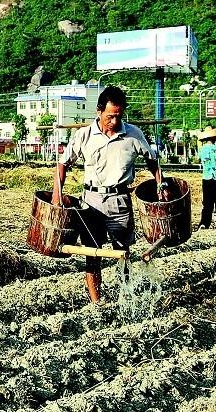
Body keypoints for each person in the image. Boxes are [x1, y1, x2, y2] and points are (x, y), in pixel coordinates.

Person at [51, 86, 167, 303]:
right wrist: (58, 195)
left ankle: (125, 297)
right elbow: (62, 164)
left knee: (122, 253)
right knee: (91, 254)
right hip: (90, 202)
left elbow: (152, 161)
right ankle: (97, 302)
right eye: (109, 117)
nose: (114, 122)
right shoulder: (84, 135)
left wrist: (161, 184)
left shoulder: (133, 134)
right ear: (99, 111)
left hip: (119, 201)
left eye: (118, 116)